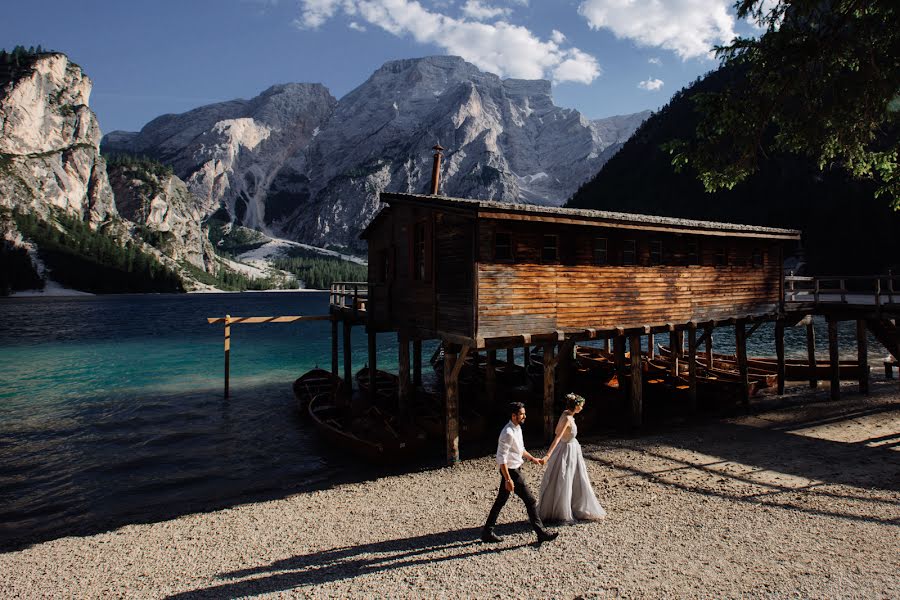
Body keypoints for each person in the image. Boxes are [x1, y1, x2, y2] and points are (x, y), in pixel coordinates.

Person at [481, 402, 559, 544]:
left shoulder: (517, 429)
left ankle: (487, 531)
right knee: (531, 501)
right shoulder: (507, 433)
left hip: (514, 469)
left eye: (524, 413)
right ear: (514, 415)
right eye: (522, 414)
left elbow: (520, 449)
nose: (524, 416)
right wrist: (508, 479)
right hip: (511, 472)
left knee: (500, 501)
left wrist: (532, 458)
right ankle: (540, 532)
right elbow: (501, 459)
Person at [538, 393, 607, 523]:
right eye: (581, 406)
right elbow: (557, 437)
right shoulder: (567, 419)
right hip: (567, 450)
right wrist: (548, 455)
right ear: (575, 406)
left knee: (576, 477)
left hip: (573, 449)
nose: (582, 408)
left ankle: (574, 504)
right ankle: (562, 510)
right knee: (565, 478)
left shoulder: (567, 414)